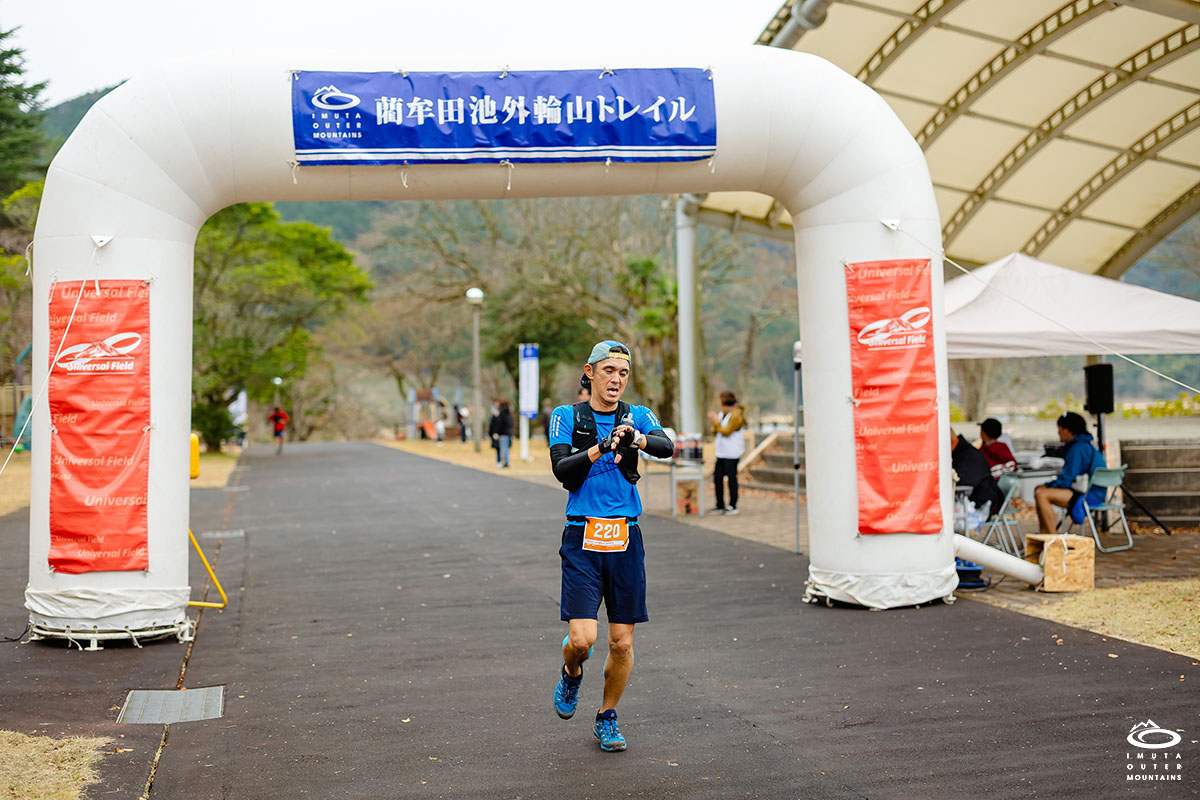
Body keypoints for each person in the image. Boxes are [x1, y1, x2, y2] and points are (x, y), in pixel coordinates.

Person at [548, 340, 673, 752]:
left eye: (623, 373)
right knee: (582, 639)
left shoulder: (638, 415)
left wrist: (636, 439)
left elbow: (666, 447)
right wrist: (602, 447)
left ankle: (607, 715)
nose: (616, 379)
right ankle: (571, 673)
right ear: (590, 372)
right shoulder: (567, 416)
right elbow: (562, 468)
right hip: (582, 535)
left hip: (625, 536)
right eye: (608, 371)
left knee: (622, 642)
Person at [1034, 412, 1106, 535]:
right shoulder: (1086, 445)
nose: (1058, 432)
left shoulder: (1077, 449)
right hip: (1096, 494)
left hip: (1087, 496)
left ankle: (1052, 538)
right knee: (1039, 490)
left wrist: (1048, 485)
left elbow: (1067, 479)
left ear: (1067, 430)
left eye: (1060, 429)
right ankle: (1044, 535)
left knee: (1041, 494)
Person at [707, 391, 746, 515]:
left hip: (732, 453)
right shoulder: (722, 414)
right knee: (717, 479)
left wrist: (716, 422)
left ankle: (732, 505)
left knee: (731, 479)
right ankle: (720, 505)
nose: (718, 402)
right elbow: (715, 430)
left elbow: (726, 431)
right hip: (721, 453)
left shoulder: (736, 415)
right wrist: (715, 421)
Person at [951, 425, 1001, 516]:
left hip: (980, 506)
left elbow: (959, 482)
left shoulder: (969, 456)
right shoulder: (966, 452)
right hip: (979, 500)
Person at [491, 400, 513, 468]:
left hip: (503, 434)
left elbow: (499, 424)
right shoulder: (509, 414)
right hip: (508, 433)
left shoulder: (502, 414)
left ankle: (504, 462)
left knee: (503, 449)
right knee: (506, 449)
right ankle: (506, 462)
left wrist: (496, 433)